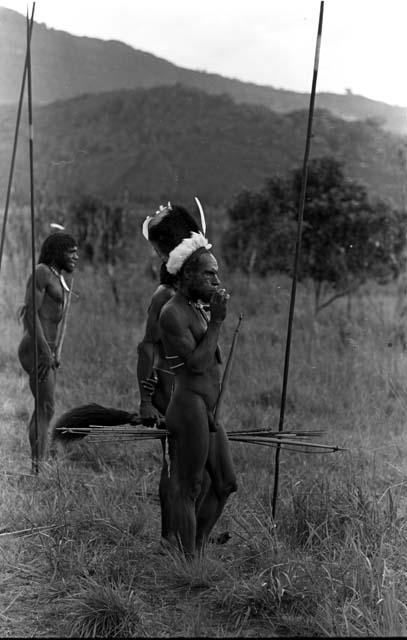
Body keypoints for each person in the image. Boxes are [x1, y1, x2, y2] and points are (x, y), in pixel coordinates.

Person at [159, 246, 237, 556]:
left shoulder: (196, 308)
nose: (217, 281)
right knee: (189, 487)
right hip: (188, 407)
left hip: (208, 409)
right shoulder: (172, 312)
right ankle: (189, 562)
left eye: (217, 273)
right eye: (209, 273)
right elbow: (196, 364)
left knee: (224, 483)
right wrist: (217, 322)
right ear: (187, 275)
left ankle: (196, 548)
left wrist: (212, 319)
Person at [18, 232, 79, 467]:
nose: (76, 256)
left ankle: (39, 464)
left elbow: (54, 321)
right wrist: (44, 351)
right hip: (35, 347)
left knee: (45, 407)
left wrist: (55, 353)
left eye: (76, 251)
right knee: (46, 406)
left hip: (47, 350)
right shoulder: (42, 272)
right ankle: (38, 467)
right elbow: (31, 314)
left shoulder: (58, 278)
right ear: (57, 252)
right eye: (71, 252)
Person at [137, 261, 177, 540]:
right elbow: (147, 345)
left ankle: (187, 531)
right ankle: (168, 536)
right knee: (173, 460)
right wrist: (145, 400)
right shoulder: (164, 294)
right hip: (169, 387)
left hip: (189, 387)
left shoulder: (187, 295)